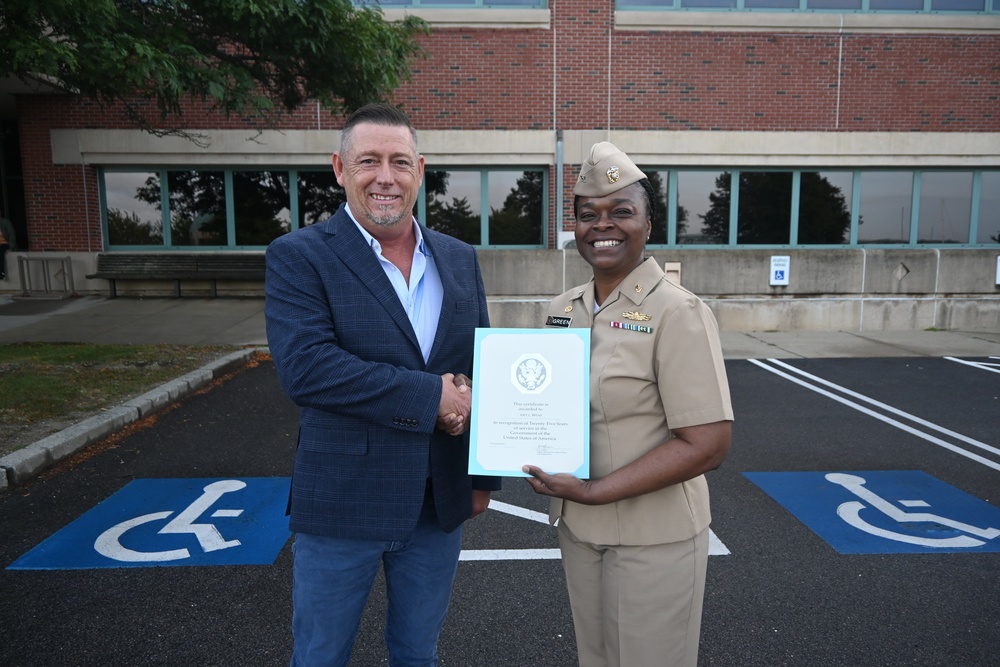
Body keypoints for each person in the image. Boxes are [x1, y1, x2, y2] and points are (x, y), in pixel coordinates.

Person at [264, 103, 500, 667]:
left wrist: (483, 475)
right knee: (320, 655)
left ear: (420, 169)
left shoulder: (459, 258)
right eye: (368, 161)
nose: (385, 177)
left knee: (418, 653)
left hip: (437, 502)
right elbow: (308, 368)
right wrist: (433, 398)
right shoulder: (299, 257)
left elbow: (482, 364)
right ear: (340, 169)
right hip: (343, 503)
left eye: (399, 162)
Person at [523, 141, 734, 667]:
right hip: (579, 527)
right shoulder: (561, 309)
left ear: (648, 222)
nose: (603, 226)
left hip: (654, 537)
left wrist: (595, 491)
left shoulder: (678, 312)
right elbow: (538, 399)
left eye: (621, 211)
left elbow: (708, 445)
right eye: (588, 215)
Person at [0, 208, 17, 280]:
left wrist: (11, 247)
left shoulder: (5, 222)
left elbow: (12, 235)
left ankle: (1, 273)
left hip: (4, 244)